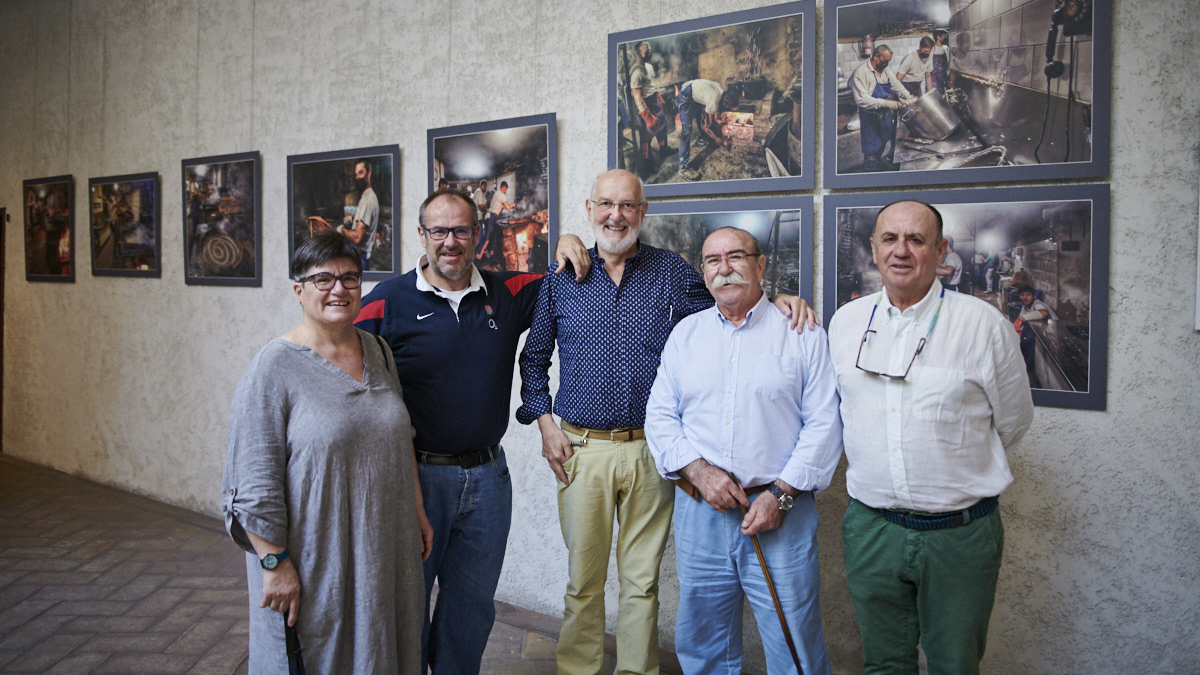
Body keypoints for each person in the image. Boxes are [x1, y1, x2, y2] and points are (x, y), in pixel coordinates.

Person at [517, 169, 817, 675]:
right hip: (581, 448)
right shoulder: (562, 276)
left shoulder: (672, 272)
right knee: (582, 581)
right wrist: (545, 423)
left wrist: (781, 299)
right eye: (606, 205)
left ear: (643, 212)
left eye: (628, 206)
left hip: (653, 454)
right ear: (590, 209)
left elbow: (733, 303)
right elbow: (534, 358)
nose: (617, 215)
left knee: (642, 582)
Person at [354, 189, 589, 675]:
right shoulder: (387, 303)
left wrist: (567, 238)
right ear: (421, 235)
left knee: (472, 607)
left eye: (461, 229)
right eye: (438, 231)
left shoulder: (509, 292)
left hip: (487, 481)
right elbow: (333, 354)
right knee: (408, 606)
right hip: (415, 483)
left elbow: (564, 279)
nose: (450, 241)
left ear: (478, 235)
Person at [827, 200, 1034, 675]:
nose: (901, 251)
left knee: (954, 664)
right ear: (874, 248)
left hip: (957, 537)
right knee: (883, 664)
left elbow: (1014, 421)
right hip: (871, 531)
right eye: (890, 239)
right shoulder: (846, 323)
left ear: (941, 251)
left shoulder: (983, 325)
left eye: (916, 240)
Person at [223, 232, 432, 674]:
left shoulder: (378, 351)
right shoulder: (273, 367)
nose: (339, 289)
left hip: (385, 547)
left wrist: (417, 511)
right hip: (319, 558)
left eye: (350, 278)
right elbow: (251, 483)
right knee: (320, 652)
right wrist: (274, 563)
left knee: (383, 645)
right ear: (298, 291)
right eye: (323, 279)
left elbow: (400, 438)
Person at [645, 227, 841, 675]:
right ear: (704, 271)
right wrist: (698, 471)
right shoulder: (686, 335)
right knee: (703, 643)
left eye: (736, 256)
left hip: (780, 514)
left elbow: (825, 423)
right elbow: (660, 417)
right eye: (713, 260)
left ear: (760, 265)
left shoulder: (801, 332)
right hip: (701, 514)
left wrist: (782, 494)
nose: (724, 267)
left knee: (795, 647)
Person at [850, 45, 916, 172]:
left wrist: (907, 96)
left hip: (884, 114)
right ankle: (870, 170)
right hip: (869, 115)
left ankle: (880, 161)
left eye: (888, 61)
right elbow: (862, 100)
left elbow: (895, 84)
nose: (886, 64)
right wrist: (888, 103)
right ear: (876, 57)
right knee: (872, 145)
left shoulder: (885, 70)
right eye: (884, 61)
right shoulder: (860, 73)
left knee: (885, 137)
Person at [675, 79, 737, 181]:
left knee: (702, 118)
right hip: (685, 96)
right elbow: (706, 126)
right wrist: (717, 139)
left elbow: (706, 108)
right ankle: (683, 168)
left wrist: (715, 121)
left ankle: (701, 139)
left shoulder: (720, 89)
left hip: (694, 92)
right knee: (686, 131)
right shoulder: (714, 100)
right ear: (725, 104)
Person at [630, 40, 671, 170]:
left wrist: (658, 96)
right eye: (646, 50)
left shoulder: (649, 66)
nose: (649, 52)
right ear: (637, 52)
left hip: (655, 101)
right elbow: (637, 96)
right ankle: (648, 161)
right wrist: (647, 117)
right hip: (645, 104)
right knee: (646, 135)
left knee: (662, 127)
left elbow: (653, 83)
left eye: (650, 49)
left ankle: (664, 150)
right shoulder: (636, 72)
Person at [337, 159, 380, 267]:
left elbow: (357, 238)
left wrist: (341, 230)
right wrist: (353, 221)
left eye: (361, 173)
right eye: (356, 174)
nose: (357, 178)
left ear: (369, 173)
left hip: (362, 257)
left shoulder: (367, 199)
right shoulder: (367, 196)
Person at [480, 181, 515, 261]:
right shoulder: (501, 195)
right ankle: (478, 257)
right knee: (488, 238)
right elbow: (508, 207)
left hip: (490, 217)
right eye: (506, 189)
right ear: (504, 188)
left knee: (492, 238)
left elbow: (502, 205)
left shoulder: (497, 193)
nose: (506, 191)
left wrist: (506, 206)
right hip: (491, 217)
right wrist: (514, 205)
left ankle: (491, 257)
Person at [931, 30, 951, 94]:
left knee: (945, 93)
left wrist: (948, 71)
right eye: (944, 35)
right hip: (934, 76)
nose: (945, 37)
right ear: (938, 37)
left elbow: (948, 61)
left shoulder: (945, 48)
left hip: (944, 75)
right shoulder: (932, 49)